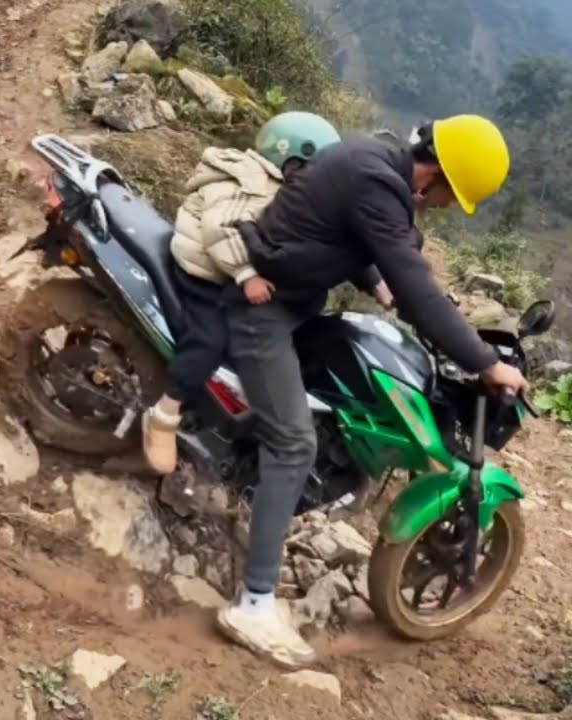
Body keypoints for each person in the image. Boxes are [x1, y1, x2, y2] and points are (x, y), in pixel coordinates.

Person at [215, 114, 528, 667]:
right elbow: (410, 274)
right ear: (437, 176)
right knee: (294, 444)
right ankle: (254, 604)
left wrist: (377, 284)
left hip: (292, 298)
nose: (445, 208)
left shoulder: (374, 160)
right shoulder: (379, 183)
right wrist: (483, 362)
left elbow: (340, 232)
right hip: (262, 311)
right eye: (452, 198)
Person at [144, 111, 342, 475]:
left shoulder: (280, 187)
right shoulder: (253, 184)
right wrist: (247, 275)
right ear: (292, 160)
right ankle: (163, 414)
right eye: (316, 170)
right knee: (211, 340)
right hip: (204, 272)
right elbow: (222, 229)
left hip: (223, 272)